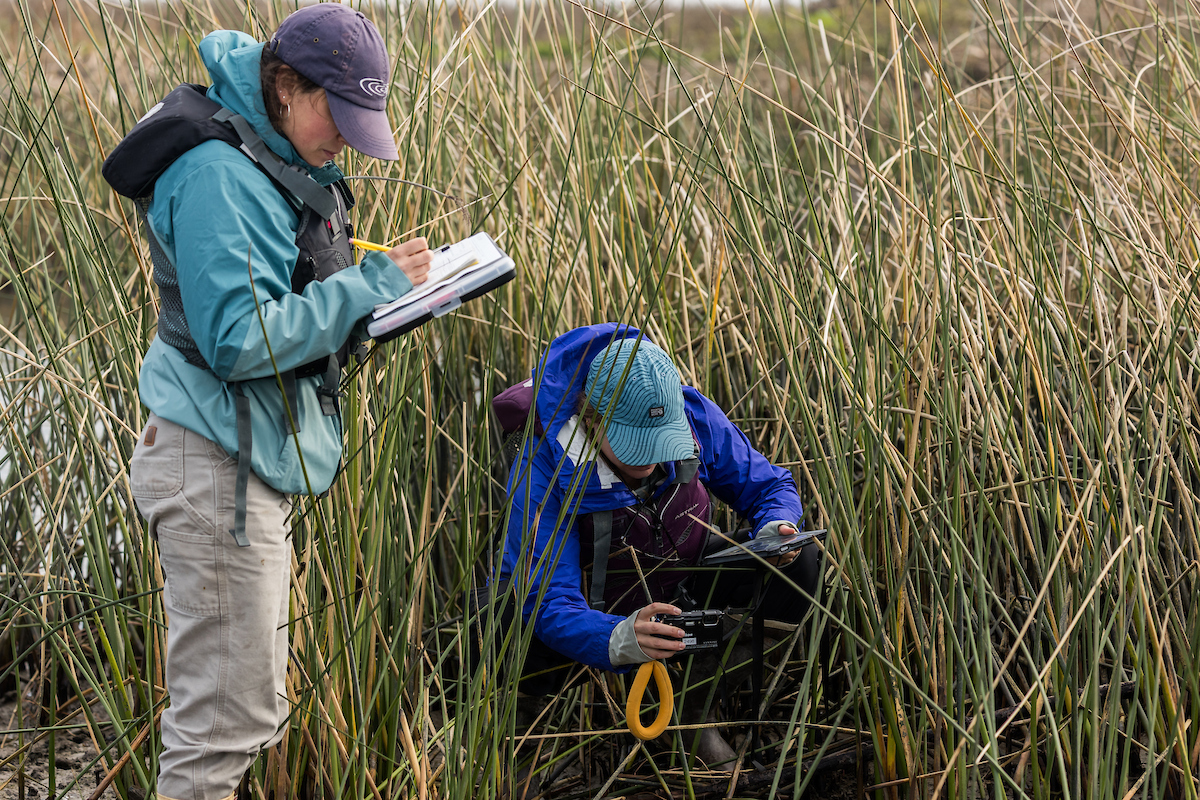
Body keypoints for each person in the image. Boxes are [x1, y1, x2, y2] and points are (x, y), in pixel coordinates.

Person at [124, 7, 432, 800]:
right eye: (341, 115)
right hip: (213, 464)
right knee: (218, 733)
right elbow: (234, 338)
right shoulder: (217, 175)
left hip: (236, 454)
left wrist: (376, 298)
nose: (349, 141)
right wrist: (369, 288)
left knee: (238, 717)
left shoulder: (270, 152)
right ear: (286, 86)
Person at [494, 323, 822, 765]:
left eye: (659, 440)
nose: (650, 456)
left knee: (800, 567)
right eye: (634, 443)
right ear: (591, 420)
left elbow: (768, 487)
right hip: (587, 612)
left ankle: (691, 716)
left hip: (677, 584)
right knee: (513, 619)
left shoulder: (688, 413)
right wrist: (617, 638)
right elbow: (549, 600)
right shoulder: (542, 468)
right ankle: (519, 744)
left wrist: (776, 526)